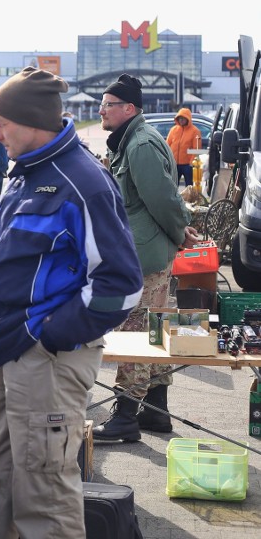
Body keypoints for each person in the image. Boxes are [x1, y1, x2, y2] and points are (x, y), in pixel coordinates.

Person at [0, 67, 143, 538]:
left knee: (44, 494)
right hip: (10, 349)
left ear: (33, 121)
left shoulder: (80, 181)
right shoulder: (28, 170)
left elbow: (120, 286)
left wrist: (47, 334)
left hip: (45, 359)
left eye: (1, 122)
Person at [93, 74, 199, 442]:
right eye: (102, 104)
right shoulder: (129, 142)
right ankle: (156, 412)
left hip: (145, 256)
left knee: (136, 334)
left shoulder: (140, 145)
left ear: (129, 109)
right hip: (142, 250)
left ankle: (125, 417)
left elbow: (164, 202)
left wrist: (179, 233)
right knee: (153, 331)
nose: (101, 110)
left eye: (108, 104)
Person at [166, 107, 203, 188]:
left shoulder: (195, 131)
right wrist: (169, 160)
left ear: (188, 119)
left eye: (183, 118)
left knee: (189, 187)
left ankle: (190, 201)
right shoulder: (173, 130)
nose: (181, 120)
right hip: (174, 164)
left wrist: (191, 163)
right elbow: (167, 145)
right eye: (179, 118)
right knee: (172, 187)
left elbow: (196, 149)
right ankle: (173, 201)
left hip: (188, 165)